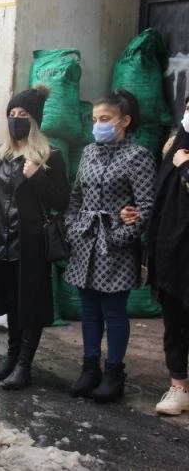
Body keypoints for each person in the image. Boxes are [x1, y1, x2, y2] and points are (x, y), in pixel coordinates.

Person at [0, 86, 69, 390]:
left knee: (30, 305)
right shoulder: (0, 156)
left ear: (34, 120)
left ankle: (24, 365)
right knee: (11, 304)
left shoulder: (51, 156)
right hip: (0, 243)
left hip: (30, 244)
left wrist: (36, 176)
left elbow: (61, 201)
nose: (16, 119)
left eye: (22, 114)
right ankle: (11, 358)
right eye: (12, 114)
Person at [64, 89, 155, 404]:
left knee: (114, 311)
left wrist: (122, 235)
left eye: (105, 119)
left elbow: (146, 206)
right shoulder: (89, 152)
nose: (98, 125)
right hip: (85, 241)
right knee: (89, 308)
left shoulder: (138, 156)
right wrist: (72, 228)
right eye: (95, 119)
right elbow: (76, 195)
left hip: (116, 246)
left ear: (124, 121)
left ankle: (114, 373)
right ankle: (89, 368)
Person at [147, 102, 189, 415]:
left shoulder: (180, 157)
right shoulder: (175, 148)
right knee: (174, 320)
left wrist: (185, 167)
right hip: (173, 253)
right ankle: (178, 386)